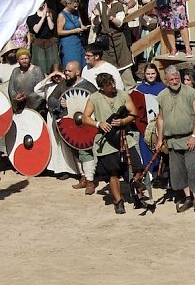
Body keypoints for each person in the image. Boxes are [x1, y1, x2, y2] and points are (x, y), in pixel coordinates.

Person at [82, 72, 142, 214]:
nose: (113, 86)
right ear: (102, 87)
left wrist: (123, 121)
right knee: (113, 172)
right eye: (109, 85)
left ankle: (135, 191)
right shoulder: (95, 98)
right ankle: (118, 200)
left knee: (137, 168)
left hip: (124, 137)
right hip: (107, 140)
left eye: (113, 83)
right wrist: (99, 124)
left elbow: (133, 112)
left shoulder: (122, 95)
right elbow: (84, 118)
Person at [154, 65, 195, 217]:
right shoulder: (162, 96)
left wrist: (194, 136)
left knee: (194, 170)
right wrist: (160, 139)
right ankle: (188, 198)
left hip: (190, 138)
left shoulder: (191, 93)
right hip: (173, 140)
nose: (175, 81)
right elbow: (161, 118)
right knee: (179, 172)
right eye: (171, 79)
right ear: (166, 80)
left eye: (177, 78)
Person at [47, 61, 97, 191]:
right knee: (75, 150)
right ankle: (83, 177)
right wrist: (58, 103)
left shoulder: (88, 86)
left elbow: (97, 100)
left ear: (77, 72)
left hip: (86, 123)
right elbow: (51, 99)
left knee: (85, 150)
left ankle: (90, 181)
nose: (66, 73)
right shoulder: (63, 85)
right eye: (66, 71)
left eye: (69, 71)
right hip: (71, 123)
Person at [33, 64, 78, 179]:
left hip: (64, 115)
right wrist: (50, 76)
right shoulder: (48, 86)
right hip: (51, 116)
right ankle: (60, 169)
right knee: (55, 143)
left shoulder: (66, 85)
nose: (57, 77)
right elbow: (36, 89)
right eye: (55, 75)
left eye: (59, 74)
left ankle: (73, 169)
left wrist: (62, 76)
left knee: (66, 143)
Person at [91, 0, 134, 77]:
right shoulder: (100, 5)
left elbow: (119, 23)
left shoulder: (118, 5)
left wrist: (111, 17)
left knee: (124, 66)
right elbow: (95, 23)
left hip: (118, 39)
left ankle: (129, 89)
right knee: (107, 67)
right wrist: (97, 16)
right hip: (105, 41)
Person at [26, 0, 60, 75]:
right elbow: (36, 30)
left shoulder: (51, 13)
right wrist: (43, 17)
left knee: (53, 66)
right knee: (40, 67)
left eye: (43, 1)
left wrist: (47, 15)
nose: (41, 3)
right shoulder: (32, 16)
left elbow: (51, 27)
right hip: (38, 43)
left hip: (50, 43)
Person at [57, 0, 88, 69]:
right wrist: (74, 31)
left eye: (77, 6)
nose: (76, 8)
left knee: (82, 63)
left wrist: (85, 27)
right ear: (68, 4)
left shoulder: (76, 12)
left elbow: (81, 25)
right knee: (72, 65)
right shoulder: (61, 15)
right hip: (68, 44)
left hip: (78, 42)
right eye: (74, 6)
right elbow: (59, 32)